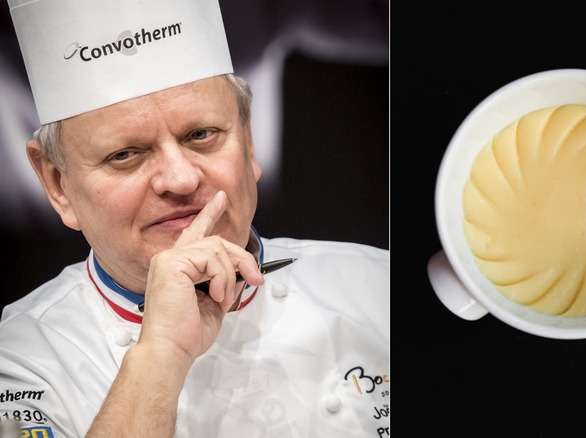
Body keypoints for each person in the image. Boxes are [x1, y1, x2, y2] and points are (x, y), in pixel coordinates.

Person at [0, 0, 390, 437]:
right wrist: (162, 353)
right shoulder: (18, 361)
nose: (181, 179)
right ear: (57, 185)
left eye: (202, 135)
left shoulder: (381, 286)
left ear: (249, 142)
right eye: (125, 155)